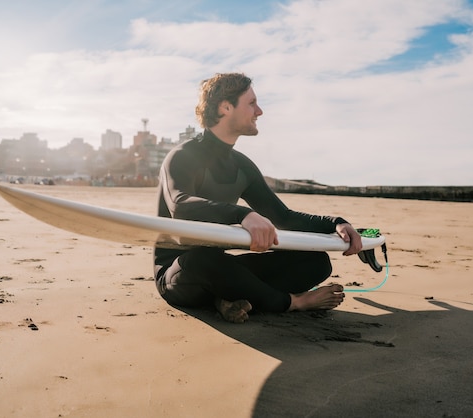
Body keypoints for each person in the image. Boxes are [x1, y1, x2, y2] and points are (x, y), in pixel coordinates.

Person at [154, 73, 363, 323]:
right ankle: (293, 302)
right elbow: (180, 205)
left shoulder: (242, 166)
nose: (260, 111)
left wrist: (336, 223)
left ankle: (224, 299)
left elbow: (283, 217)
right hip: (180, 274)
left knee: (316, 262)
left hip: (223, 269)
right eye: (252, 103)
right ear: (226, 107)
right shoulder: (183, 156)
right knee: (204, 260)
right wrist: (243, 215)